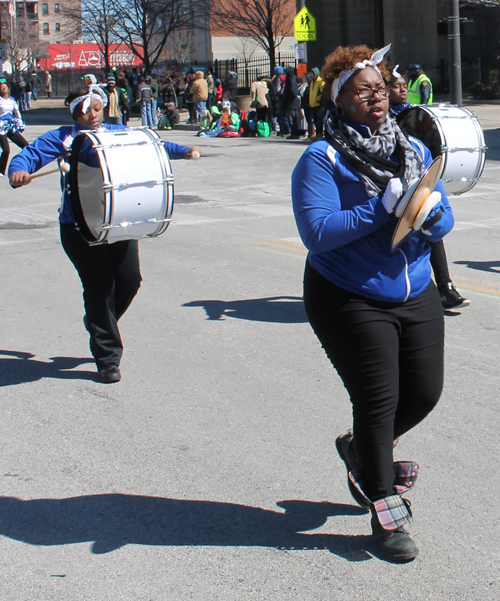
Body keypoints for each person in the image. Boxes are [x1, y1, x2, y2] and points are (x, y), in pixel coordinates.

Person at [292, 44, 454, 563]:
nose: (377, 97)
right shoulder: (323, 157)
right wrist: (379, 211)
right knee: (378, 402)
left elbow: (444, 214)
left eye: (381, 88)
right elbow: (318, 232)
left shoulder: (413, 149)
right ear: (340, 99)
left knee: (425, 394)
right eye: (363, 91)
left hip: (415, 289)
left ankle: (363, 449)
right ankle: (383, 510)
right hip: (348, 295)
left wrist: (432, 219)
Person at [8, 84, 203, 383]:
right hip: (79, 228)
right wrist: (17, 172)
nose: (94, 116)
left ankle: (99, 320)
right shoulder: (63, 139)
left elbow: (155, 145)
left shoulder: (117, 132)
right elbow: (28, 157)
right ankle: (107, 358)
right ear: (75, 114)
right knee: (99, 287)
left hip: (118, 223)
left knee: (128, 282)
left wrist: (184, 150)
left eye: (97, 109)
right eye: (86, 112)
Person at [389, 66, 470, 310]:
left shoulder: (415, 114)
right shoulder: (382, 118)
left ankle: (444, 287)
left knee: (432, 226)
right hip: (392, 190)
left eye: (404, 85)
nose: (403, 89)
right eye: (396, 86)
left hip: (417, 183)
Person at [0, 81, 29, 177]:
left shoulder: (12, 100)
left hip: (11, 126)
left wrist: (19, 122)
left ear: (8, 89)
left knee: (26, 146)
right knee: (6, 150)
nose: (4, 89)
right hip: (1, 127)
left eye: (5, 87)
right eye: (1, 88)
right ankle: (1, 171)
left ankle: (25, 166)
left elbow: (17, 112)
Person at [308, 67, 325, 140]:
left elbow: (322, 93)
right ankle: (317, 134)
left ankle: (320, 134)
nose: (311, 75)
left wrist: (317, 99)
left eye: (312, 74)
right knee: (314, 120)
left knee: (319, 120)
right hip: (313, 104)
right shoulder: (312, 82)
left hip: (318, 104)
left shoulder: (320, 81)